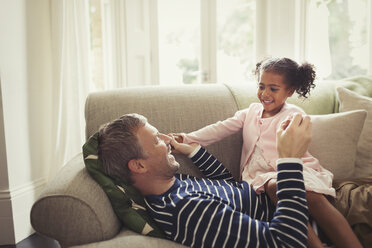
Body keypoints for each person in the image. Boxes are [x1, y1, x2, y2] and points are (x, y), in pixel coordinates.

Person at [173, 57, 362, 248]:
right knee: (274, 186)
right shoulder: (250, 112)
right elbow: (220, 129)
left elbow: (296, 146)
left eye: (273, 88)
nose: (264, 93)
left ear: (289, 91)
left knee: (311, 198)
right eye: (261, 86)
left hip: (296, 171)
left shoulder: (293, 115)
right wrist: (187, 138)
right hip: (260, 178)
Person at [98, 112, 311, 248]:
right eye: (156, 140)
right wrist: (289, 160)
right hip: (308, 218)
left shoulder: (174, 182)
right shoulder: (185, 210)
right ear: (139, 166)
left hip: (297, 196)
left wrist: (194, 152)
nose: (166, 140)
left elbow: (229, 187)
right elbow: (286, 242)